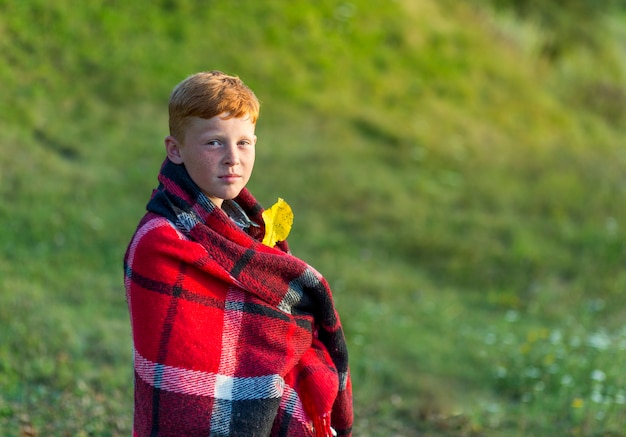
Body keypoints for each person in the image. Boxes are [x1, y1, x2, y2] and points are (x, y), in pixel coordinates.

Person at [123, 71, 353, 436]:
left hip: (271, 397)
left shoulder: (248, 226)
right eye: (214, 143)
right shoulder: (159, 241)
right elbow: (182, 359)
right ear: (175, 149)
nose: (232, 158)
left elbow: (278, 313)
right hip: (195, 414)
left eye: (244, 143)